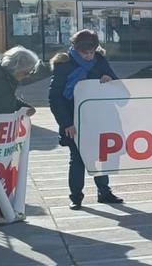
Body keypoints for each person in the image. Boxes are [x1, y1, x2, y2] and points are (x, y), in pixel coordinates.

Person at [48, 30, 121, 209]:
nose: (89, 56)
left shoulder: (100, 60)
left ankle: (104, 192)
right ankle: (75, 197)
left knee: (100, 155)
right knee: (78, 159)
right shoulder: (64, 64)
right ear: (75, 48)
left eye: (91, 52)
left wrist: (109, 80)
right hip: (73, 120)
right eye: (85, 53)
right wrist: (66, 123)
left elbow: (118, 86)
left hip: (98, 118)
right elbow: (55, 97)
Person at [0, 47, 39, 116]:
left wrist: (23, 106)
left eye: (31, 73)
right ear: (16, 68)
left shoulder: (6, 77)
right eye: (26, 73)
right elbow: (2, 100)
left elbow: (6, 97)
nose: (28, 76)